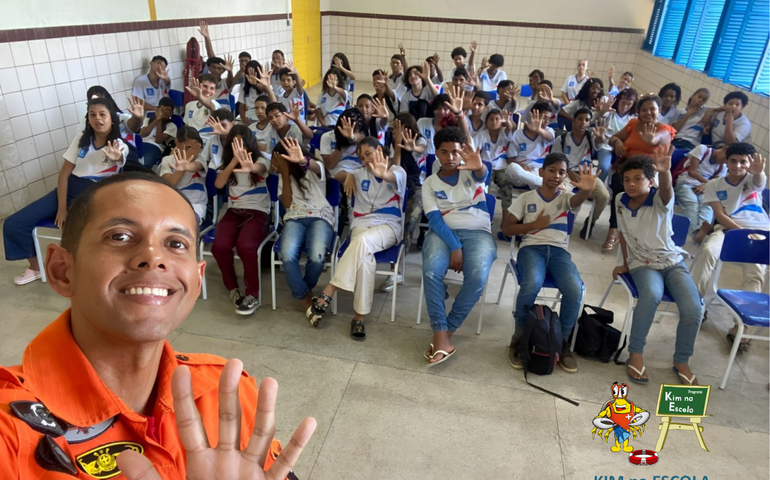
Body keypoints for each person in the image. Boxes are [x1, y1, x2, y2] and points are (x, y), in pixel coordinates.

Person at [0, 172, 315, 478]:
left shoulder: (226, 393)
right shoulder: (10, 429)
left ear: (197, 278)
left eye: (176, 243)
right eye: (119, 236)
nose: (153, 257)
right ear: (61, 270)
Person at [3, 97, 128, 285]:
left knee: (87, 234)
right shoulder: (81, 139)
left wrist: (116, 156)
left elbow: (120, 156)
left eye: (103, 114)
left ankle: (94, 274)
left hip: (93, 198)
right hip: (67, 190)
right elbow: (64, 175)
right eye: (93, 115)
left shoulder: (118, 145)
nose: (98, 119)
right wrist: (62, 208)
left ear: (112, 118)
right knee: (14, 223)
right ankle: (36, 267)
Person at [504, 155, 600, 373]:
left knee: (575, 289)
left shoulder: (566, 198)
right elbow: (507, 228)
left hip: (558, 252)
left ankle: (562, 342)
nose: (556, 176)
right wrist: (535, 225)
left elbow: (575, 201)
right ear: (541, 172)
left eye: (561, 172)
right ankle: (519, 338)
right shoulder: (526, 198)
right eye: (551, 170)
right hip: (531, 249)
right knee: (531, 284)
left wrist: (585, 191)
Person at [613, 153, 702, 385]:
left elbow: (666, 191)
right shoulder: (620, 200)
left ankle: (681, 360)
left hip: (672, 261)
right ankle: (636, 352)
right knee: (650, 295)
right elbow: (622, 233)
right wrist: (624, 262)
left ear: (649, 182)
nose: (631, 184)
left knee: (694, 308)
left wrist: (664, 172)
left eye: (638, 179)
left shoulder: (660, 200)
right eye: (627, 179)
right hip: (641, 263)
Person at [307, 138, 407, 341]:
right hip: (361, 224)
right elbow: (335, 174)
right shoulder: (359, 173)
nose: (365, 160)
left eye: (369, 154)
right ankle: (359, 317)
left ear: (380, 150)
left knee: (361, 243)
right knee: (365, 259)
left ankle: (329, 290)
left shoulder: (398, 171)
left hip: (388, 226)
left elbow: (391, 176)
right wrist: (349, 175)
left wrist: (382, 173)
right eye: (361, 157)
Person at [421, 126, 495, 365]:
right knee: (431, 271)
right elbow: (434, 220)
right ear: (436, 153)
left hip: (478, 232)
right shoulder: (429, 183)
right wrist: (455, 247)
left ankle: (445, 332)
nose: (451, 157)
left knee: (477, 277)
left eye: (455, 152)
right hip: (443, 233)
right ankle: (440, 333)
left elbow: (482, 175)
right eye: (444, 152)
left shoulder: (471, 171)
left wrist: (480, 166)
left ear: (462, 152)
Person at [690, 144, 768, 347]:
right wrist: (741, 233)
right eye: (733, 160)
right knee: (708, 252)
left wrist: (759, 172)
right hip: (728, 230)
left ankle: (741, 325)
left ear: (749, 163)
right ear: (726, 161)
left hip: (759, 232)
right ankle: (696, 305)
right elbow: (720, 216)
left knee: (755, 271)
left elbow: (759, 181)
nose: (737, 165)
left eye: (743, 161)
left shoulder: (753, 179)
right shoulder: (715, 184)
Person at [601, 95, 676, 253]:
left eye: (652, 109)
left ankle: (639, 232)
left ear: (659, 110)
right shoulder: (633, 124)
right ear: (639, 112)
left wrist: (652, 139)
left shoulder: (664, 129)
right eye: (644, 110)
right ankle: (614, 230)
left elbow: (658, 139)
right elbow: (612, 138)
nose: (648, 113)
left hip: (651, 171)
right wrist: (618, 142)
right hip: (627, 168)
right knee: (620, 186)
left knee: (644, 191)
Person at [212, 126, 272, 315]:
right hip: (234, 211)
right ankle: (233, 289)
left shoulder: (262, 159)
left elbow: (258, 168)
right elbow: (218, 184)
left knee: (246, 246)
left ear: (250, 143)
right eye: (235, 143)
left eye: (243, 143)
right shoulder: (228, 162)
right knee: (219, 246)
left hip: (258, 211)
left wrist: (249, 165)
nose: (240, 147)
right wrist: (234, 161)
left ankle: (252, 294)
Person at [273, 137, 336, 314]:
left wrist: (301, 160)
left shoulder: (315, 165)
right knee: (287, 255)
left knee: (316, 256)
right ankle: (305, 298)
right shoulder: (283, 175)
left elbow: (316, 167)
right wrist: (285, 175)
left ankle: (303, 292)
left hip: (320, 216)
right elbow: (286, 203)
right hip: (295, 216)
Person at [552, 108, 611, 239]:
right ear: (573, 120)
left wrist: (601, 138)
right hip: (567, 174)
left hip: (587, 175)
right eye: (580, 119)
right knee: (561, 194)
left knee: (604, 196)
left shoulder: (591, 138)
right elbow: (556, 160)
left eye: (587, 120)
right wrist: (569, 172)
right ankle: (557, 223)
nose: (583, 122)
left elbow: (599, 142)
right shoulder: (561, 139)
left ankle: (591, 221)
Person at [673, 144, 727, 242]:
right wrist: (708, 184)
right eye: (725, 158)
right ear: (724, 148)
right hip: (686, 182)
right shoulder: (703, 149)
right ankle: (696, 234)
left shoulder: (723, 167)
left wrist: (707, 185)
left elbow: (716, 183)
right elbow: (692, 172)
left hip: (705, 187)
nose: (725, 162)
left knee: (708, 205)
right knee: (692, 204)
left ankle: (702, 231)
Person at [477, 109, 515, 240]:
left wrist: (507, 121)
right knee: (485, 190)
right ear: (486, 122)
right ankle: (483, 223)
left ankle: (505, 224)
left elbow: (510, 129)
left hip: (501, 168)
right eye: (491, 119)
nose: (494, 122)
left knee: (507, 186)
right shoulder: (481, 135)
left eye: (497, 119)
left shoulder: (505, 133)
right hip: (485, 167)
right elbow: (476, 152)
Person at [159, 126, 208, 224]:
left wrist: (185, 166)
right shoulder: (167, 160)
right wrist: (180, 169)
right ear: (177, 142)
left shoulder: (200, 158)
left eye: (195, 148)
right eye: (188, 147)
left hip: (195, 205)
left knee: (183, 223)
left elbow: (195, 166)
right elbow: (169, 184)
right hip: (172, 204)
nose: (192, 152)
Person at [505, 103, 556, 190]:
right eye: (544, 118)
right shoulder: (518, 134)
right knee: (512, 168)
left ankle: (540, 183)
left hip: (540, 171)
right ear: (533, 115)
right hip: (522, 173)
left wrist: (538, 130)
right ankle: (543, 184)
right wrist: (520, 165)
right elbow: (510, 159)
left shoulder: (549, 131)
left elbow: (549, 137)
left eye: (548, 119)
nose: (547, 122)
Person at [595, 88, 638, 183]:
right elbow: (600, 117)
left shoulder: (634, 118)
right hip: (606, 145)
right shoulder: (610, 111)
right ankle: (596, 188)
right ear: (618, 101)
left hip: (624, 147)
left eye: (629, 104)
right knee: (604, 167)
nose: (625, 107)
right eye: (623, 103)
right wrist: (602, 111)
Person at [140, 96, 178, 168]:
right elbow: (143, 134)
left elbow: (158, 140)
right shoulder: (148, 120)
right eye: (162, 110)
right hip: (142, 143)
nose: (165, 113)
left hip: (155, 148)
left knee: (144, 165)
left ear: (171, 113)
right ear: (157, 110)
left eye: (168, 111)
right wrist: (156, 120)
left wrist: (159, 121)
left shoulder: (171, 126)